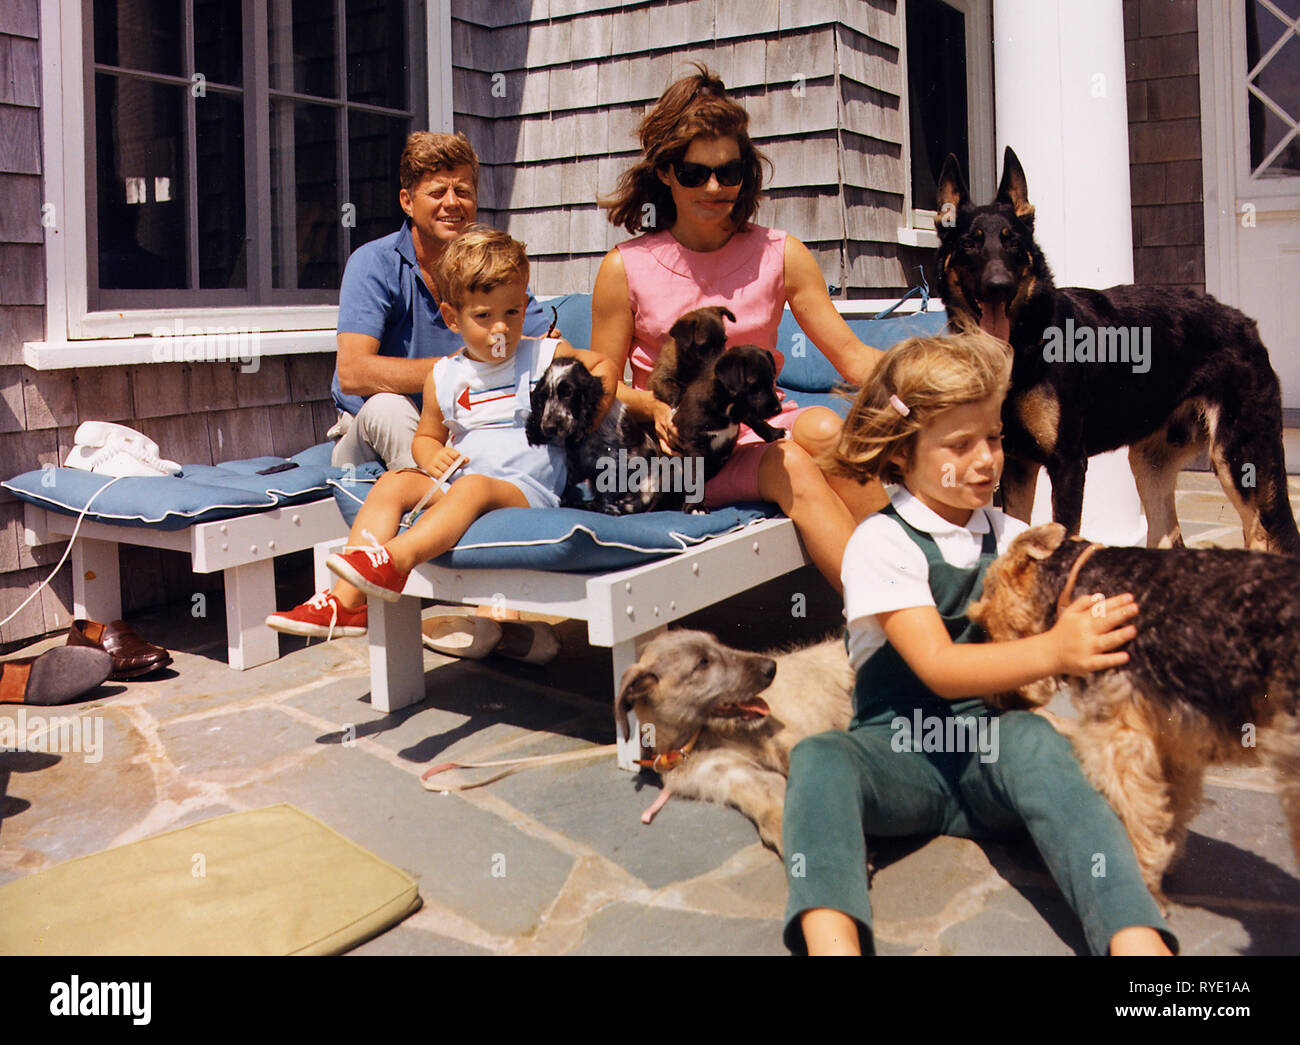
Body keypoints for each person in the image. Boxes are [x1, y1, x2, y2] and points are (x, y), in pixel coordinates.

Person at [781, 329, 1177, 956]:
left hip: (991, 747)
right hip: (898, 755)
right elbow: (937, 666)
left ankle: (1137, 946)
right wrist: (1055, 651)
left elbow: (1082, 586)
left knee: (1040, 741)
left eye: (993, 438)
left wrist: (1111, 611)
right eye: (959, 445)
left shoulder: (1013, 532)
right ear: (902, 453)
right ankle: (834, 942)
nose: (987, 459)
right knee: (820, 760)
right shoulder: (881, 543)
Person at [590, 65, 889, 593]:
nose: (714, 187)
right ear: (665, 172)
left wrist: (938, 384)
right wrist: (656, 408)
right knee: (791, 463)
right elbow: (603, 385)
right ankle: (891, 622)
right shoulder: (624, 268)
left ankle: (926, 588)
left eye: (729, 173)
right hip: (682, 456)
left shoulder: (782, 254)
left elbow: (853, 357)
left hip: (762, 429)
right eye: (694, 173)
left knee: (823, 428)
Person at [269, 227, 617, 657]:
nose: (501, 328)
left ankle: (392, 562)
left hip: (526, 488)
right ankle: (345, 603)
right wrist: (431, 456)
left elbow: (601, 364)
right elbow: (427, 436)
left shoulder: (541, 356)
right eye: (484, 316)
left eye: (512, 312)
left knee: (473, 488)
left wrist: (583, 416)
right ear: (453, 318)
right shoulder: (444, 376)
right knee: (394, 483)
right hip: (464, 480)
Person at [330, 131, 552, 471]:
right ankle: (439, 505)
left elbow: (542, 345)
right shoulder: (374, 262)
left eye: (462, 191)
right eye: (437, 192)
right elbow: (354, 372)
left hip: (463, 424)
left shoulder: (487, 266)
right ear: (407, 201)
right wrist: (462, 366)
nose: (452, 203)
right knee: (389, 407)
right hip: (370, 431)